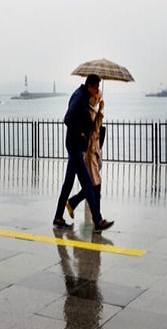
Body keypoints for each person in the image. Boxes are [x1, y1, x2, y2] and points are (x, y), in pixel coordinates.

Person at [53, 74, 113, 232]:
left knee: (68, 183)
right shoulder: (79, 97)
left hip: (76, 146)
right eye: (97, 87)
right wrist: (80, 133)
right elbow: (68, 118)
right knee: (87, 183)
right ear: (91, 86)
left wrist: (99, 109)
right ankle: (98, 221)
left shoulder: (83, 96)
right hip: (74, 145)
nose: (98, 90)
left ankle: (58, 217)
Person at [67, 90, 104, 219]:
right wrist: (99, 113)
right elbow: (93, 129)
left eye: (100, 98)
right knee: (95, 185)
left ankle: (73, 203)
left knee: (93, 185)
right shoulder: (88, 111)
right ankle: (97, 219)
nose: (98, 100)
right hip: (89, 152)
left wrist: (100, 111)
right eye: (97, 97)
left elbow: (96, 127)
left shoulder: (93, 110)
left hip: (93, 151)